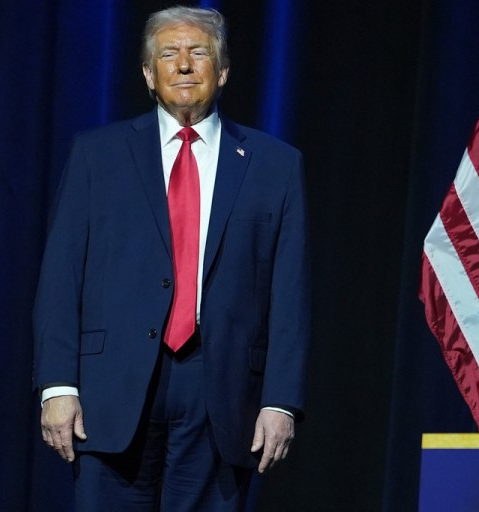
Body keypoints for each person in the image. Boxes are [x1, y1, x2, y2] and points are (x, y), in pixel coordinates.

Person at [33, 6, 310, 510]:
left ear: (222, 71)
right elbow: (60, 277)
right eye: (168, 53)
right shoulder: (97, 155)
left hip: (222, 391)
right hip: (110, 390)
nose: (183, 64)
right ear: (147, 73)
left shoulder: (275, 165)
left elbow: (289, 294)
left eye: (198, 52)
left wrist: (280, 400)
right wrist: (56, 385)